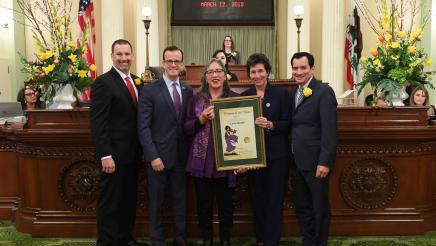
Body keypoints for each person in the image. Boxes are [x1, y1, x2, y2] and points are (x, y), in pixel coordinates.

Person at [90, 39, 145, 246]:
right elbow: (98, 123)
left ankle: (125, 239)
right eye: (119, 54)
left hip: (133, 155)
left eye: (127, 54)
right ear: (112, 56)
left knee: (128, 201)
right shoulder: (103, 82)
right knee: (110, 203)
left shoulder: (137, 81)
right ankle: (106, 242)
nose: (124, 58)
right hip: (112, 157)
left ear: (132, 55)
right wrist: (105, 155)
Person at [138, 46, 193, 246]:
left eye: (177, 61)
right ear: (163, 64)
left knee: (181, 203)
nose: (173, 64)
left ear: (182, 64)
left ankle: (180, 239)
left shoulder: (187, 90)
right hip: (158, 159)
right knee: (157, 203)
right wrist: (153, 156)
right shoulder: (149, 90)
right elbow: (143, 127)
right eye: (169, 61)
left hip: (181, 158)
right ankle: (157, 241)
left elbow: (187, 124)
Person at [184, 59, 239, 246]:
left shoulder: (234, 98)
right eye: (210, 72)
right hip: (201, 161)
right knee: (204, 205)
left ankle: (225, 240)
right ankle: (207, 239)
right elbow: (186, 128)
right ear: (205, 77)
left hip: (227, 160)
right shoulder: (196, 99)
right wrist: (201, 119)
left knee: (226, 205)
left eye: (218, 71)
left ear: (225, 75)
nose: (215, 75)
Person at [240, 53, 291, 246]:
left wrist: (270, 124)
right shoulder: (244, 96)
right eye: (253, 71)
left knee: (275, 200)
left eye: (260, 70)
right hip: (253, 158)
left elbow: (287, 123)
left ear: (267, 72)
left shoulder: (280, 94)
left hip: (277, 156)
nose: (257, 75)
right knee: (258, 199)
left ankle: (271, 241)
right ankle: (261, 238)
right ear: (249, 74)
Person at [289, 52, 337, 246]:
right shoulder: (294, 93)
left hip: (316, 162)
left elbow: (330, 129)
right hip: (296, 162)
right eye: (295, 68)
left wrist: (324, 162)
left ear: (312, 69)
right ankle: (308, 240)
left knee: (319, 208)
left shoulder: (324, 91)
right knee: (302, 206)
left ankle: (320, 242)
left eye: (303, 68)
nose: (298, 72)